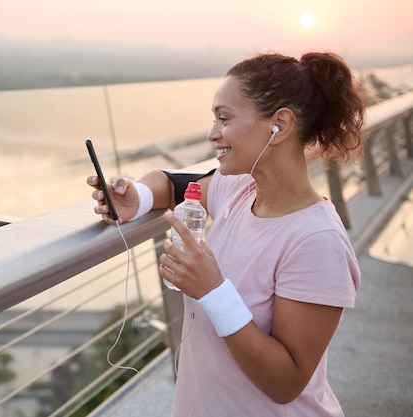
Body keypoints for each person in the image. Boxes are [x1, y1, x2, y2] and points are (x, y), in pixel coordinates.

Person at [87, 51, 364, 416]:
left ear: (279, 125)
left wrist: (213, 291)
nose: (211, 133)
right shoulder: (239, 190)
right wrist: (134, 199)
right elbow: (172, 184)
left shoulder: (316, 240)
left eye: (224, 118)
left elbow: (287, 382)